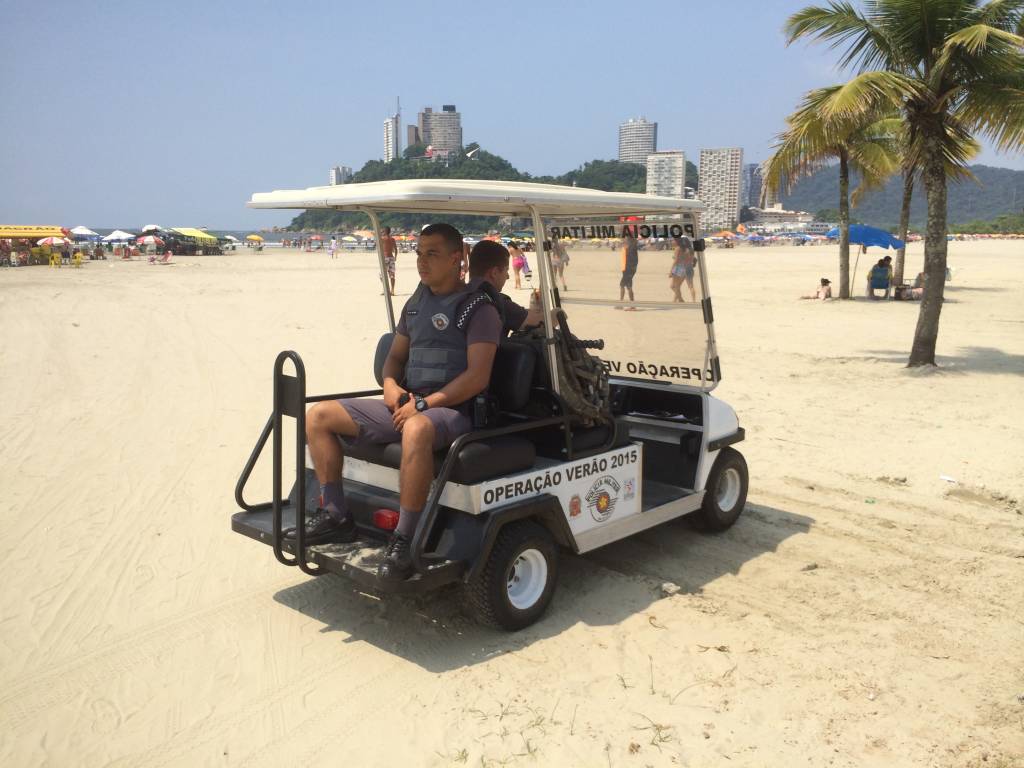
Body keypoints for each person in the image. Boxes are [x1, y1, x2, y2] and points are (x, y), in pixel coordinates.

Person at [299, 223, 502, 582]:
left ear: (458, 258)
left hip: (455, 411)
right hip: (410, 402)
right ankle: (335, 516)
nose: (422, 262)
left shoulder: (479, 309)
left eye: (432, 254)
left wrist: (423, 406)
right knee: (319, 415)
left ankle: (406, 539)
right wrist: (391, 386)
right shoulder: (417, 302)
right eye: (420, 253)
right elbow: (394, 359)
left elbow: (478, 377)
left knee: (417, 427)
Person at [467, 240, 543, 335]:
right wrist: (558, 312)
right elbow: (541, 322)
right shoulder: (495, 302)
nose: (507, 276)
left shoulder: (463, 294)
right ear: (494, 273)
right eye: (506, 270)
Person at [669, 236, 696, 302]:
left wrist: (671, 271)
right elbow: (694, 259)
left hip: (680, 268)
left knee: (675, 286)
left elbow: (676, 260)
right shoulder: (690, 250)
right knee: (690, 286)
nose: (672, 241)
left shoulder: (679, 249)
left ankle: (679, 299)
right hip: (689, 268)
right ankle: (693, 301)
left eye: (673, 240)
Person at [619, 230, 639, 306]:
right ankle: (632, 305)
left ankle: (621, 304)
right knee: (628, 286)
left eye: (625, 237)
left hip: (628, 269)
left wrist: (631, 269)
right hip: (627, 269)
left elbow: (634, 260)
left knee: (622, 285)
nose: (623, 238)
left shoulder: (631, 247)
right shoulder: (630, 245)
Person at [380, 226, 398, 294]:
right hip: (391, 258)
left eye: (383, 231)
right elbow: (396, 249)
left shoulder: (383, 239)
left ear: (385, 231)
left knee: (382, 275)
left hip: (385, 258)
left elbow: (379, 247)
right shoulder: (392, 239)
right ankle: (392, 290)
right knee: (392, 275)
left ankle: (385, 289)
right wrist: (395, 257)